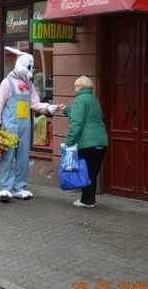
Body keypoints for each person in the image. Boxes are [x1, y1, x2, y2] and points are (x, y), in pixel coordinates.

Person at [0, 47, 59, 202]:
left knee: (23, 157)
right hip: (9, 126)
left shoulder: (29, 85)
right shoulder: (7, 82)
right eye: (29, 67)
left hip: (25, 127)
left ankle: (19, 187)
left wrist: (47, 108)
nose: (30, 71)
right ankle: (5, 188)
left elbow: (35, 103)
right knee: (8, 156)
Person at [61, 76, 108, 208]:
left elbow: (77, 123)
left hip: (88, 143)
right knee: (92, 172)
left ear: (80, 87)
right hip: (101, 141)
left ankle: (86, 201)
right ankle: (89, 200)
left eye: (76, 86)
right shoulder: (93, 99)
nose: (75, 89)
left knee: (84, 172)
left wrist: (69, 141)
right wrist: (66, 109)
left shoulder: (79, 99)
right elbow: (86, 116)